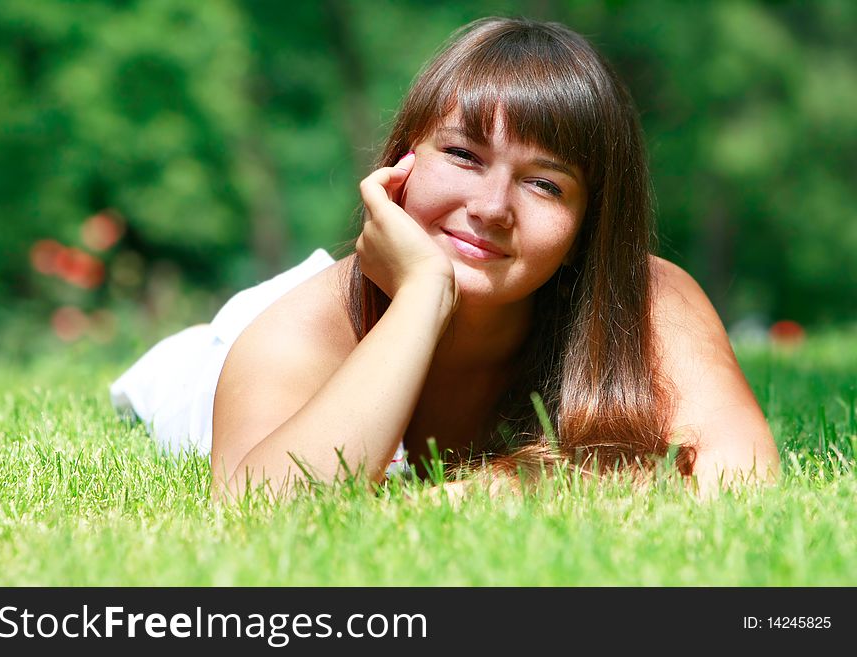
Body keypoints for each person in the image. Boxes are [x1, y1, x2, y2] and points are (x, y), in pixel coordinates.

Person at [111, 16, 780, 502]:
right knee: (178, 369)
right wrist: (424, 292)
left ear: (587, 226)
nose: (492, 206)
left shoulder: (647, 297)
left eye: (545, 184)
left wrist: (474, 495)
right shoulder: (304, 324)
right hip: (213, 361)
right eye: (463, 155)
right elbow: (263, 509)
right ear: (401, 160)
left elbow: (745, 474)